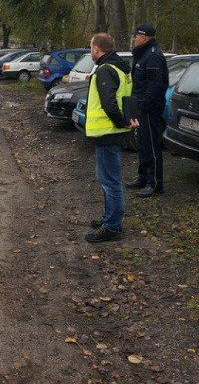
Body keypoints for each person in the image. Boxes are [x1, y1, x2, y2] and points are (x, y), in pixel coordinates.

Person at [84, 33, 137, 243]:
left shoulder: (106, 70)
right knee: (107, 179)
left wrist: (120, 122)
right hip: (112, 133)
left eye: (91, 47)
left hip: (108, 133)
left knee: (110, 182)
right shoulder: (121, 68)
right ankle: (109, 219)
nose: (90, 51)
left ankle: (112, 227)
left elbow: (109, 104)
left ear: (97, 49)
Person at [126, 23, 169, 198]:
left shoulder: (153, 57)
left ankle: (155, 184)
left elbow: (155, 86)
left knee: (151, 146)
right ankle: (143, 177)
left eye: (135, 36)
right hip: (141, 107)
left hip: (150, 109)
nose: (134, 39)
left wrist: (145, 104)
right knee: (142, 145)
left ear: (143, 37)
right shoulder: (142, 55)